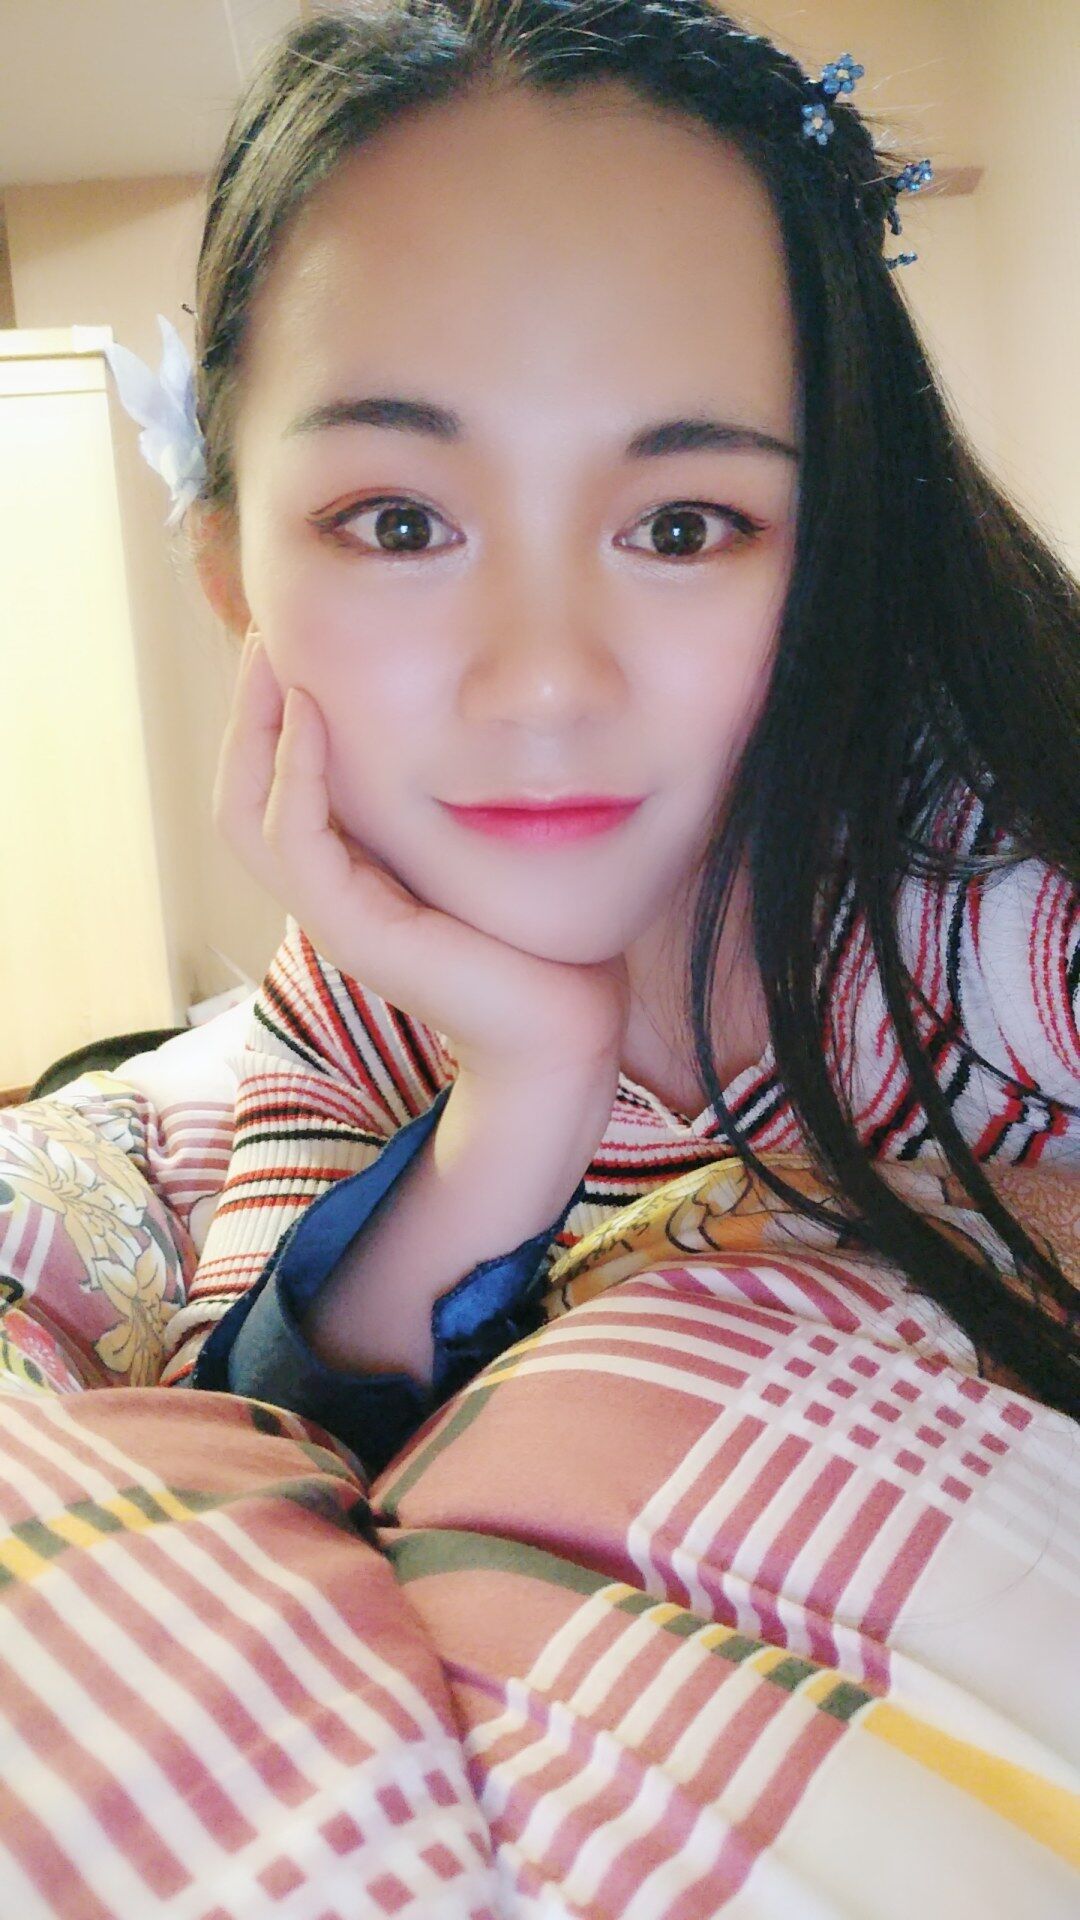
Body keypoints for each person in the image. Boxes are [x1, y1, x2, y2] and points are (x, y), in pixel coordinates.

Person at [145, 0, 1078, 1474]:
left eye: (683, 526)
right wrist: (521, 1092)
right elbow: (256, 1441)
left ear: (840, 545)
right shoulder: (353, 999)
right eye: (400, 525)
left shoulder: (1017, 911)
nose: (544, 686)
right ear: (228, 580)